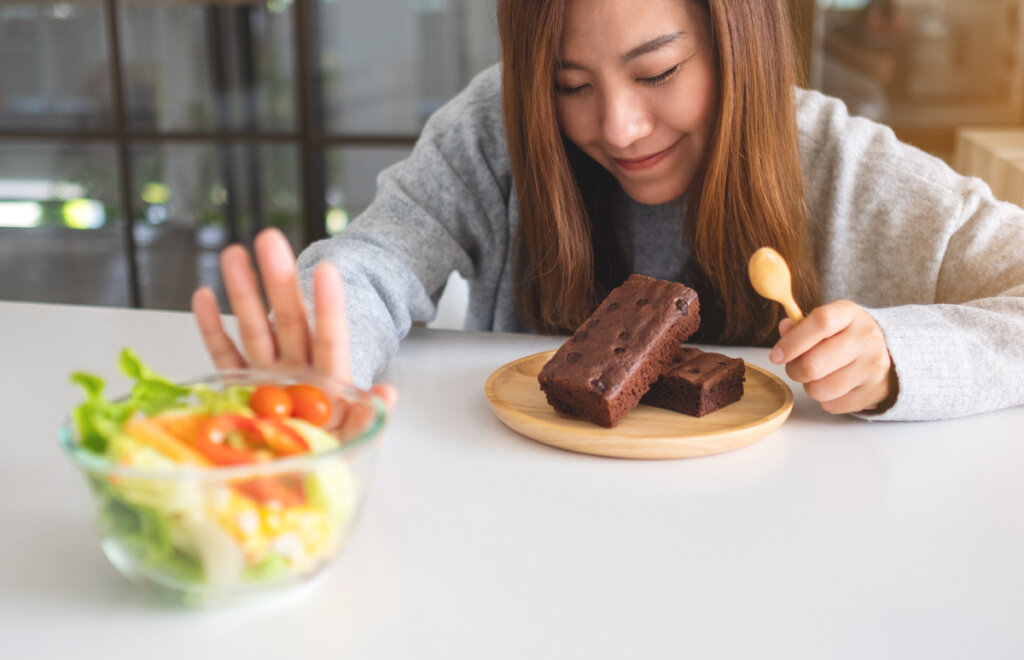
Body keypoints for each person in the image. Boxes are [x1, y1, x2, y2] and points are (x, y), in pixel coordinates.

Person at [192, 0, 1024, 422]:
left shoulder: (845, 167)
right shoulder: (496, 129)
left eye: (658, 73)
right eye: (570, 85)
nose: (617, 128)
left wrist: (895, 361)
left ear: (737, 42)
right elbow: (378, 259)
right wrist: (326, 343)